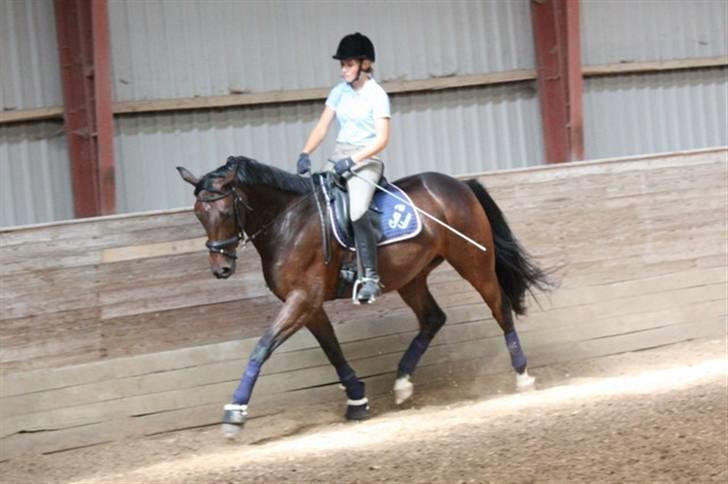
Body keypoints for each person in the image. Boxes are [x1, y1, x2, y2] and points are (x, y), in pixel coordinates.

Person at [296, 32, 391, 304]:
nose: (343, 70)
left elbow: (383, 139)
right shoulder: (338, 93)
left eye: (348, 64)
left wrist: (356, 159)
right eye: (342, 65)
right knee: (314, 202)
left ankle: (371, 276)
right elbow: (322, 127)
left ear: (365, 64)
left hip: (366, 159)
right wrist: (306, 152)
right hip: (338, 156)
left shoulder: (377, 95)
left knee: (357, 210)